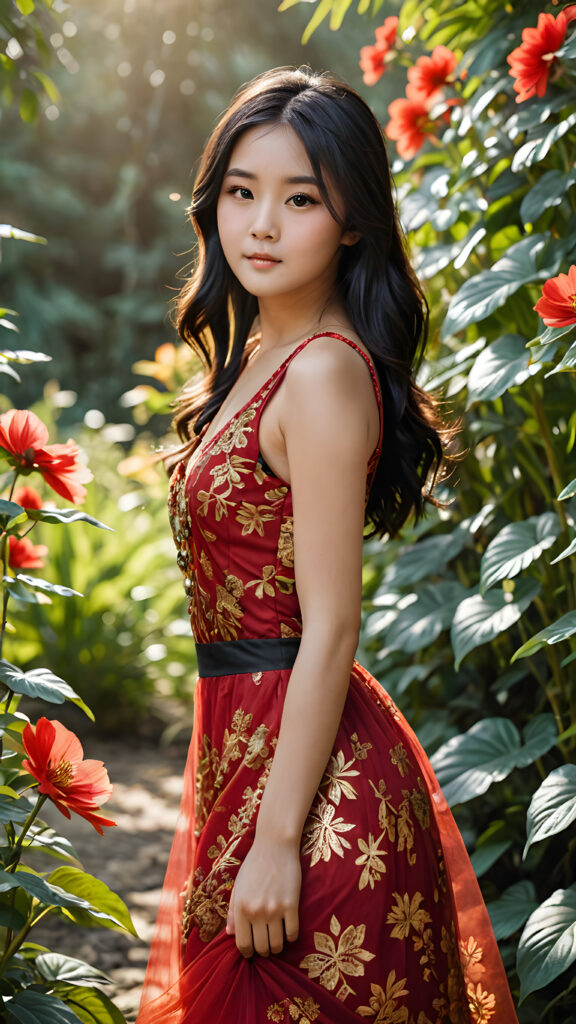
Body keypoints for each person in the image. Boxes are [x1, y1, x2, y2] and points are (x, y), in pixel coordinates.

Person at [136, 66, 517, 1024]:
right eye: (241, 191)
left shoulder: (322, 375)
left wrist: (275, 842)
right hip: (250, 746)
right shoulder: (261, 362)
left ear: (351, 223)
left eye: (299, 198)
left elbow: (334, 626)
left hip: (311, 796)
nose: (261, 223)